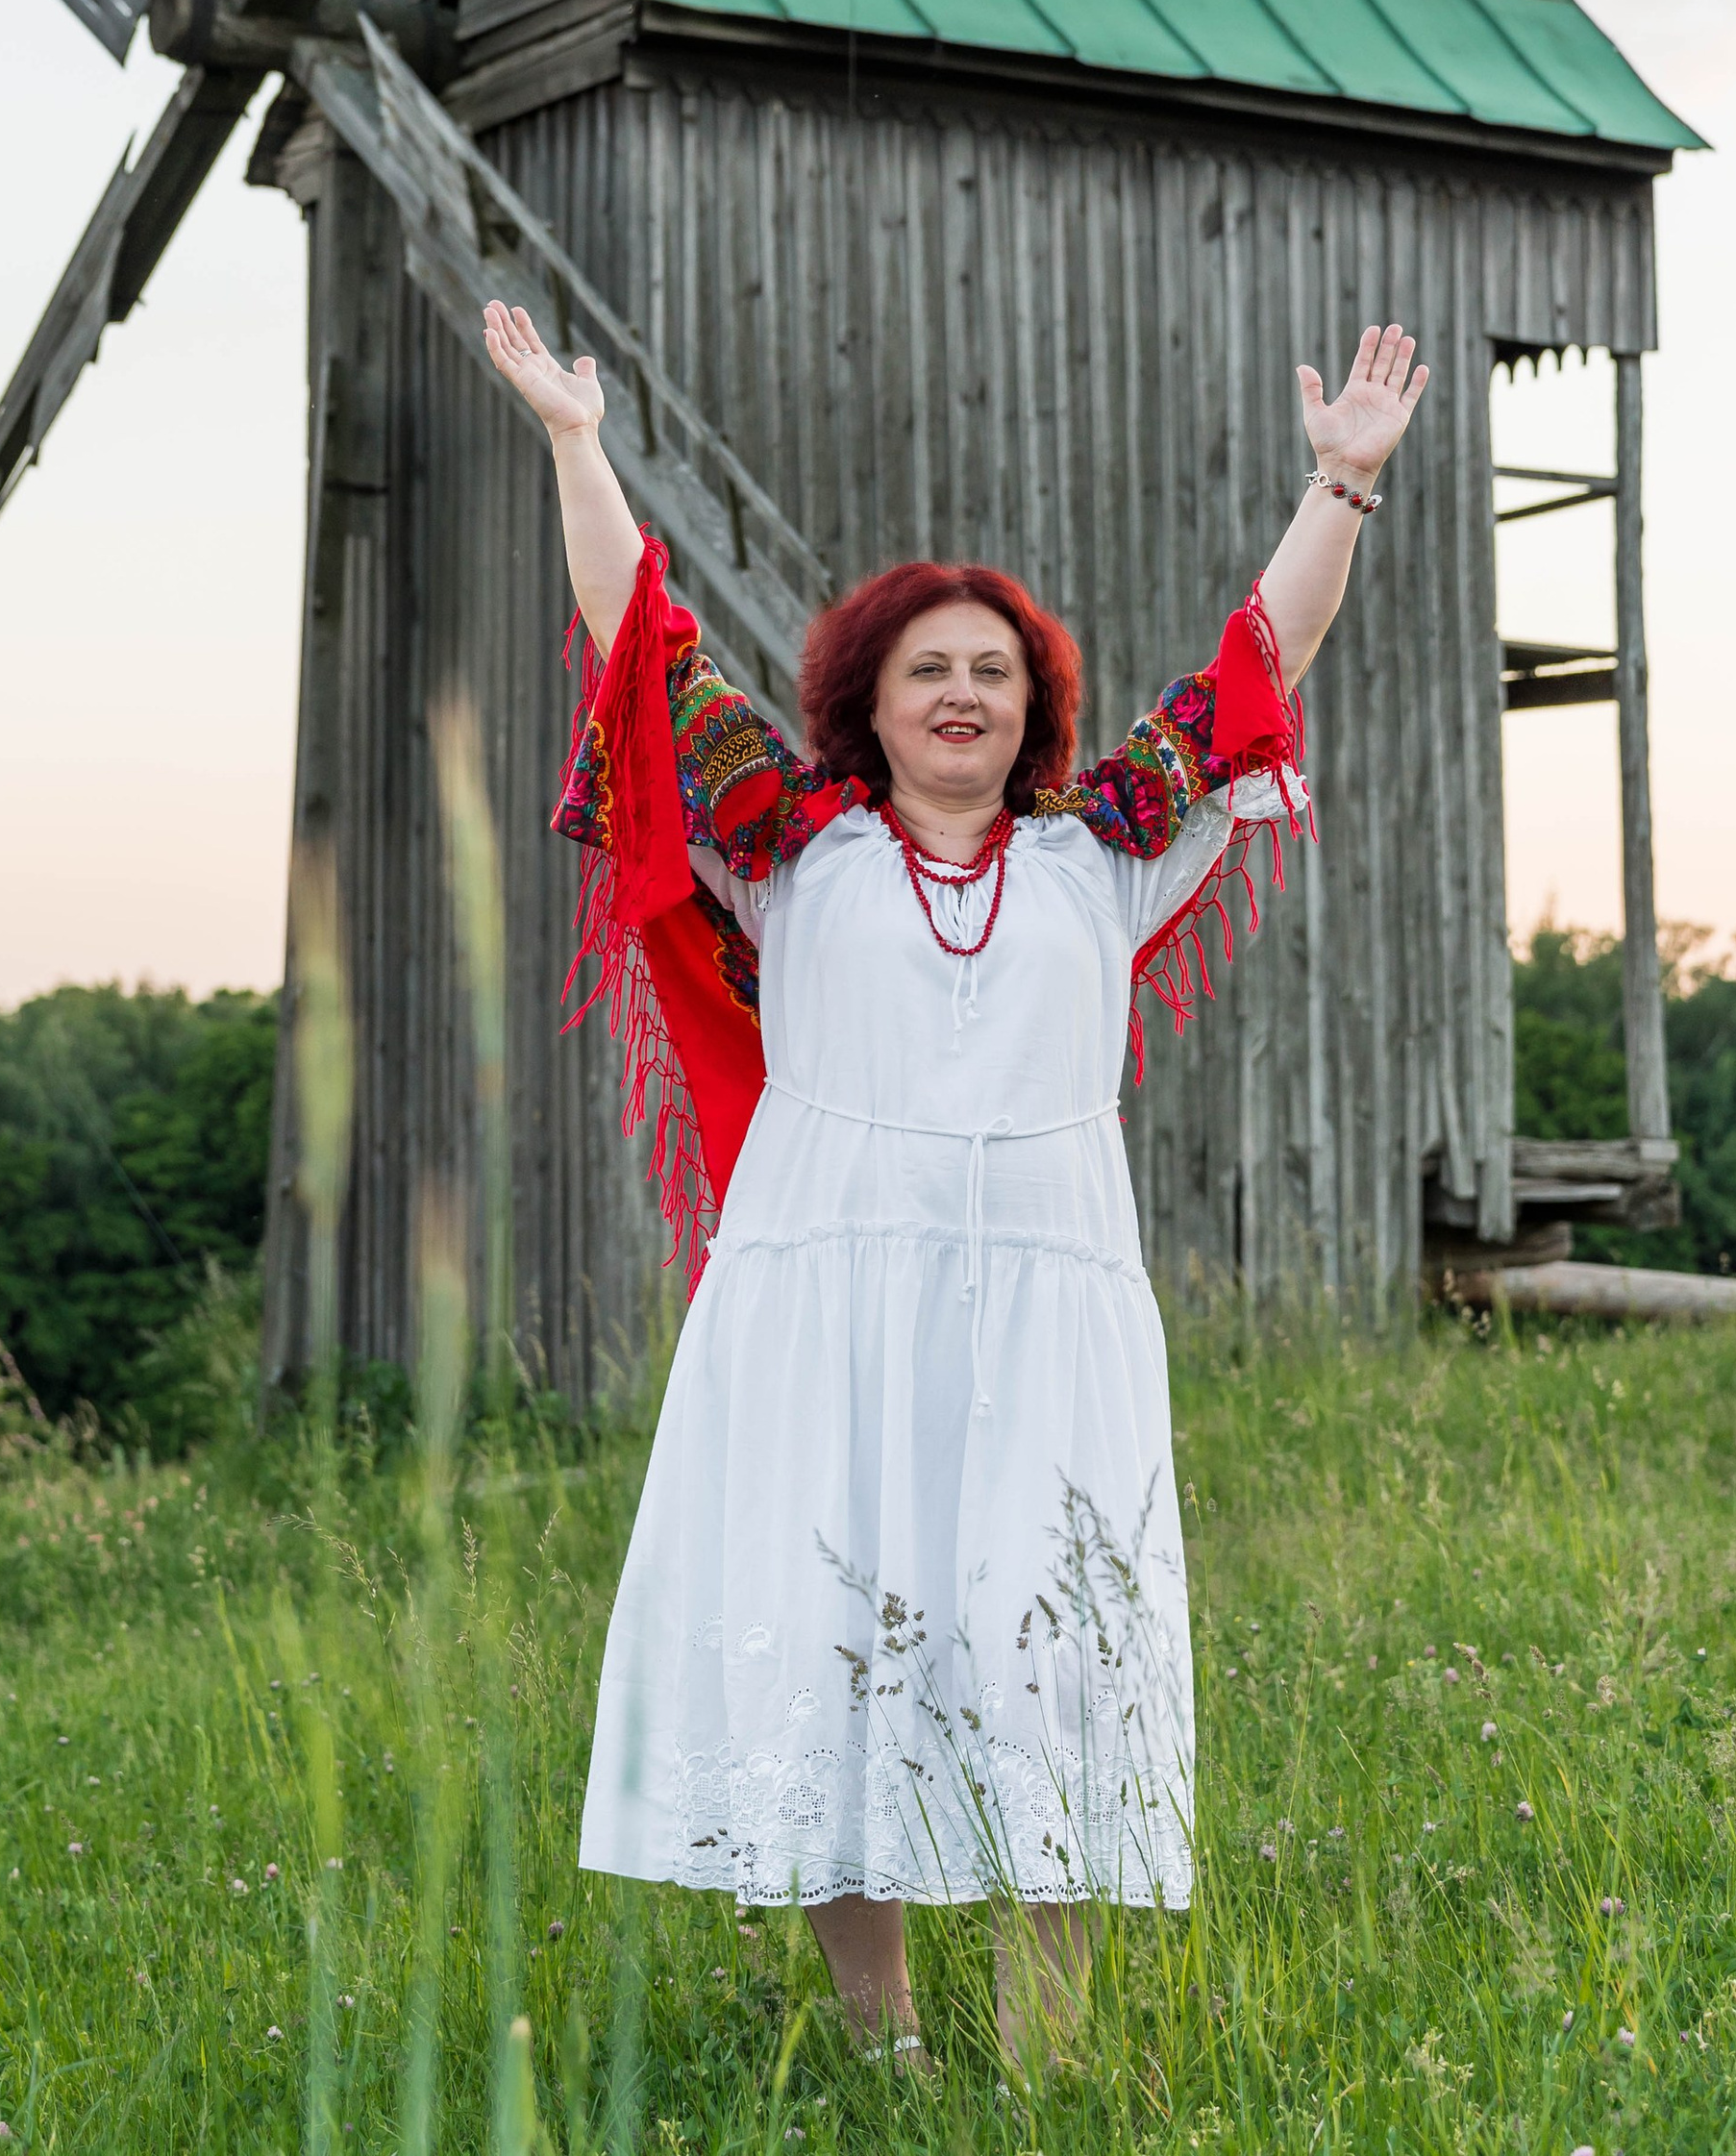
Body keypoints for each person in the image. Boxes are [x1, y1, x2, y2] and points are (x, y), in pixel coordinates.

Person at [483, 300, 1429, 2079]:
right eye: (929, 666)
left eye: (994, 668)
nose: (963, 692)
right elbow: (642, 646)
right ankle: (883, 2045)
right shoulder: (790, 847)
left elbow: (1256, 668)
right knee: (857, 1647)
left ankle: (1047, 2056)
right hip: (827, 1303)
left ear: (1031, 704)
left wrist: (1340, 488)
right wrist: (574, 442)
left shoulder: (1103, 857)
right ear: (870, 696)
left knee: (1048, 1657)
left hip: (1052, 1302)